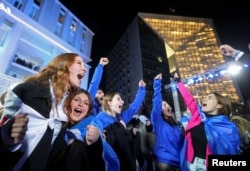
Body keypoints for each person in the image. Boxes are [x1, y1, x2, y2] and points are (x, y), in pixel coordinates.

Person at [0, 53, 87, 171]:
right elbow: (4, 131)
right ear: (65, 65)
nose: (84, 68)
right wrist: (6, 136)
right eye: (79, 63)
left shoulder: (65, 109)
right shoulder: (25, 91)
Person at [175, 73, 241, 171]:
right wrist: (179, 83)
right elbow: (189, 99)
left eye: (210, 97)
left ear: (219, 105)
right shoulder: (198, 116)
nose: (204, 98)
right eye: (205, 97)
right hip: (191, 164)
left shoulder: (229, 127)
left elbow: (231, 152)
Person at [46, 88, 106, 171]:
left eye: (86, 103)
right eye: (77, 100)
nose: (81, 104)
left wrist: (95, 143)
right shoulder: (55, 126)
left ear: (87, 111)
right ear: (68, 102)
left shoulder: (86, 134)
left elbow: (97, 165)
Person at [96, 79, 146, 171]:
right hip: (109, 162)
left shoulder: (120, 118)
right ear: (109, 103)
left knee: (136, 135)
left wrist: (142, 89)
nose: (122, 102)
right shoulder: (100, 117)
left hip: (123, 160)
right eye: (118, 99)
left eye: (122, 100)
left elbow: (133, 107)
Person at [150, 73, 183, 171]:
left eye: (168, 105)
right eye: (163, 105)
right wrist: (157, 84)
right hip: (164, 162)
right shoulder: (158, 121)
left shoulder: (176, 125)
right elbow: (157, 103)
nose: (167, 106)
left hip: (179, 162)